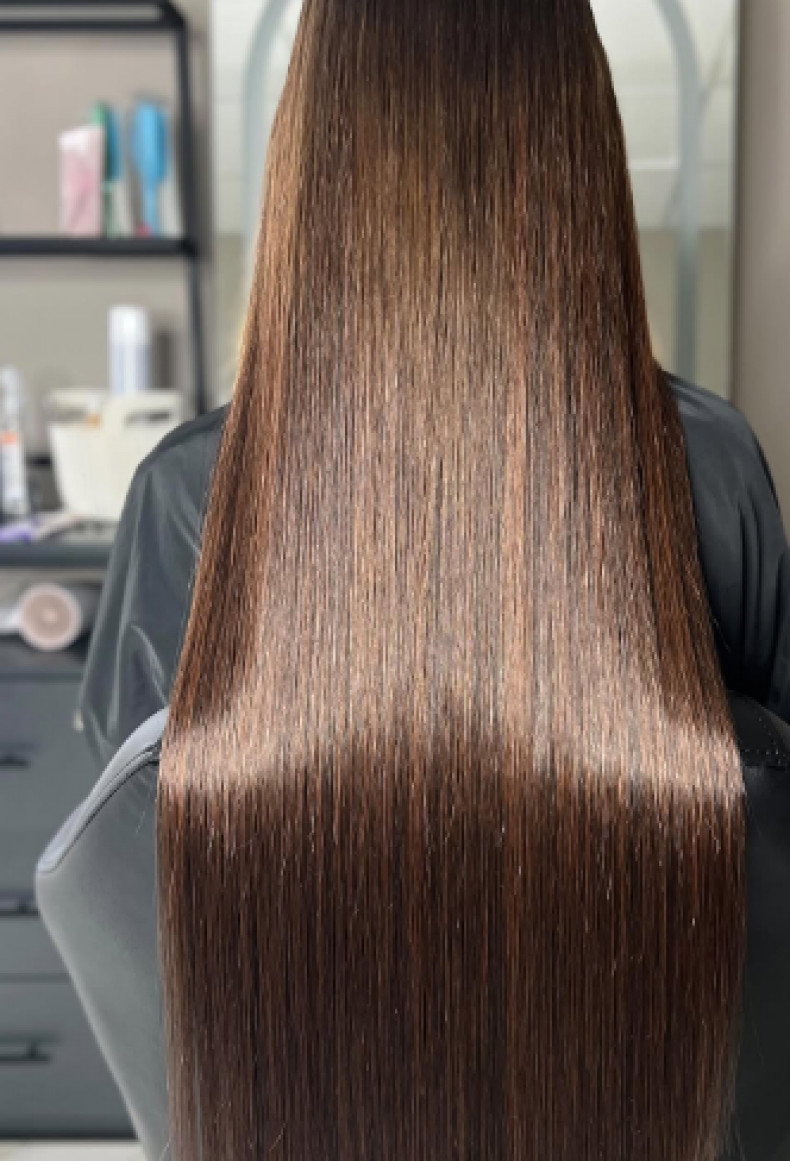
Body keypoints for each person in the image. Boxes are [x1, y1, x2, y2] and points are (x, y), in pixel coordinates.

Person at [37, 3, 790, 1160]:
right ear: (580, 149)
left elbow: (130, 863)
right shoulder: (712, 461)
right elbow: (763, 833)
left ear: (310, 160)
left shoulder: (192, 487)